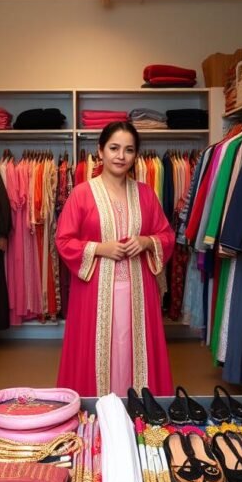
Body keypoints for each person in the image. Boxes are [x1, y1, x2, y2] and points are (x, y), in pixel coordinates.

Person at [55, 122, 175, 396]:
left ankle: (139, 408)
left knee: (134, 350)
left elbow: (166, 235)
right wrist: (100, 248)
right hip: (94, 293)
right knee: (99, 350)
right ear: (100, 151)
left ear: (136, 155)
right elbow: (63, 240)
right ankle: (97, 409)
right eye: (114, 148)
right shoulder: (82, 194)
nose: (121, 156)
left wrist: (146, 242)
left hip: (139, 291)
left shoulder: (146, 193)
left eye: (129, 150)